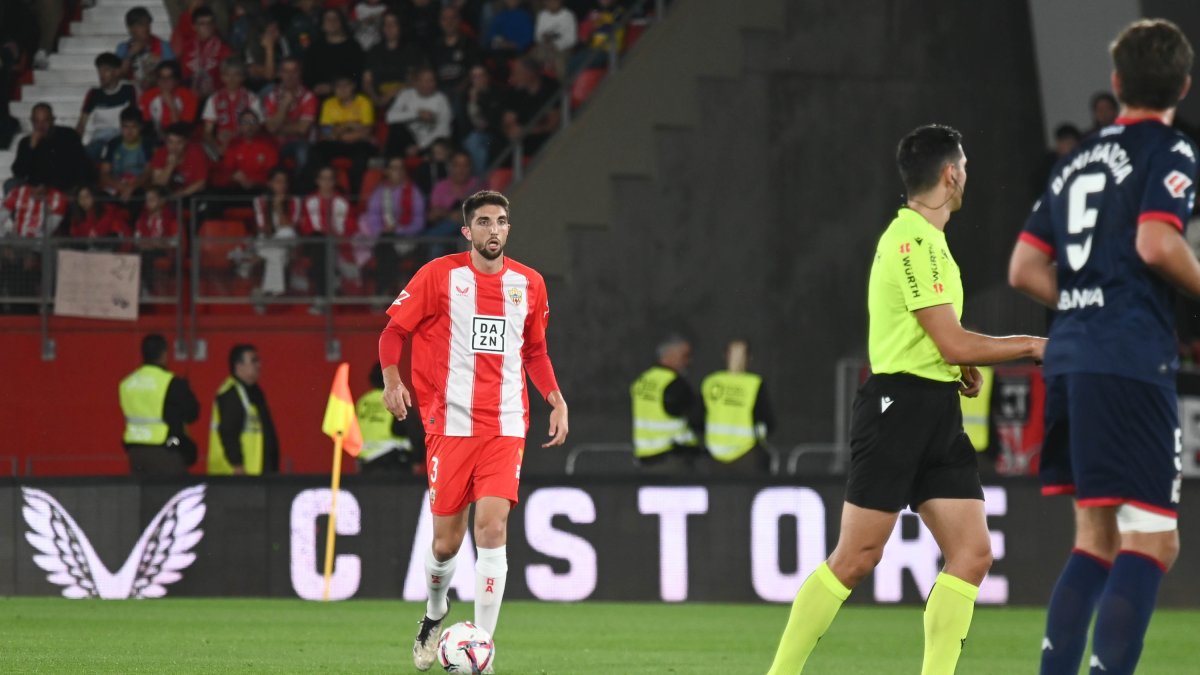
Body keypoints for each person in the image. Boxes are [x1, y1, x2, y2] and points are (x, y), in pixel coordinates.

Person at [766, 124, 1046, 675]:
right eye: (964, 166)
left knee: (972, 554)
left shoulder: (931, 241)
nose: (966, 174)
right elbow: (948, 336)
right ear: (951, 174)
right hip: (897, 409)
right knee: (855, 559)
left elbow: (941, 336)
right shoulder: (911, 240)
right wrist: (1033, 345)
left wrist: (960, 365)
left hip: (935, 409)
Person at [1008, 19, 1195, 675]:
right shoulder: (1169, 150)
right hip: (1129, 359)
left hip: (1071, 358)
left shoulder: (1075, 158)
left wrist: (1084, 299)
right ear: (1183, 85)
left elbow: (1024, 267)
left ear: (1116, 84)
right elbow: (1157, 243)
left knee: (1096, 537)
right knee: (1155, 539)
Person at [378, 190, 568, 671]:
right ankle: (434, 614)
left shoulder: (530, 284)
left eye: (501, 222)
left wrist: (554, 397)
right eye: (483, 222)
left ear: (508, 228)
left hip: (506, 425)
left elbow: (535, 352)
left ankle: (481, 646)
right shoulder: (438, 277)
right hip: (449, 425)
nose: (493, 230)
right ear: (467, 232)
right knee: (446, 543)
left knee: (493, 528)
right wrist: (392, 380)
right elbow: (392, 332)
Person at [119, 333, 200, 476]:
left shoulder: (127, 383)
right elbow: (192, 413)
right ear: (164, 354)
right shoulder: (170, 382)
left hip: (135, 453)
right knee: (172, 494)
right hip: (165, 451)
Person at [630, 334, 703, 472]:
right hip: (672, 461)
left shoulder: (643, 380)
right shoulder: (675, 384)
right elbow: (697, 418)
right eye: (685, 355)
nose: (689, 361)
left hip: (645, 459)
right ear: (670, 355)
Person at [701, 339, 775, 473]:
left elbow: (698, 416)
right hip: (746, 453)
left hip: (714, 454)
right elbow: (767, 420)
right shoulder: (754, 383)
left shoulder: (711, 382)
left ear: (725, 356)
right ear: (749, 358)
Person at [208, 344, 280, 475]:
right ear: (238, 366)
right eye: (253, 361)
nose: (259, 365)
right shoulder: (231, 393)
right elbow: (228, 432)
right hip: (237, 474)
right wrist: (237, 464)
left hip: (255, 471)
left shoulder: (253, 392)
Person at [363, 156, 426, 298]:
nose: (397, 172)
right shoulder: (380, 192)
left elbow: (419, 221)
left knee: (386, 248)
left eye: (400, 168)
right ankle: (390, 289)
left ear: (404, 172)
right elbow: (372, 216)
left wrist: (399, 230)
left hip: (407, 238)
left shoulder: (414, 192)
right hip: (384, 237)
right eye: (393, 168)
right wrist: (381, 230)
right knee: (385, 245)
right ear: (387, 171)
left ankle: (382, 291)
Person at [8, 103, 92, 194]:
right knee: (10, 184)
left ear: (52, 120)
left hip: (63, 187)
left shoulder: (68, 135)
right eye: (36, 121)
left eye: (45, 121)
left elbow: (81, 166)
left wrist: (48, 188)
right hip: (35, 188)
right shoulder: (25, 142)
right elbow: (18, 172)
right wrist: (31, 148)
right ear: (31, 121)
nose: (40, 126)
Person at [77, 53, 140, 162]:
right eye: (99, 71)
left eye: (106, 70)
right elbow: (82, 123)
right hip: (99, 140)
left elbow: (135, 118)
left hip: (121, 138)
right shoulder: (94, 93)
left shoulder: (128, 90)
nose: (101, 75)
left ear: (116, 72)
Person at [356, 363, 416, 474]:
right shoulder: (393, 398)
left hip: (366, 462)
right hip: (392, 462)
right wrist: (417, 456)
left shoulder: (363, 401)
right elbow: (407, 429)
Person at [262, 57, 318, 173]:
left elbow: (302, 129)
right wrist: (284, 107)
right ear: (280, 74)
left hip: (300, 143)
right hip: (275, 143)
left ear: (300, 73)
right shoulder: (272, 96)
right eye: (286, 71)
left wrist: (278, 128)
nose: (290, 75)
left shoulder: (308, 96)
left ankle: (299, 188)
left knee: (302, 150)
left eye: (294, 71)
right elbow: (270, 128)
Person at [385, 67, 454, 158]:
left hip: (429, 142)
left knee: (441, 144)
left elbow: (444, 130)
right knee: (396, 129)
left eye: (431, 81)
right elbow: (389, 117)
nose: (429, 85)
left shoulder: (441, 99)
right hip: (409, 138)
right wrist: (417, 114)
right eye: (425, 81)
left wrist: (420, 146)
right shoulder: (406, 94)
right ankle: (390, 162)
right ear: (416, 82)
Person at [201, 58, 263, 157]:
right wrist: (217, 146)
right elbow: (207, 132)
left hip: (245, 142)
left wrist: (235, 134)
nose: (231, 79)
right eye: (227, 75)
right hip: (221, 145)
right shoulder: (214, 99)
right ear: (222, 77)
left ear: (242, 77)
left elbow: (258, 127)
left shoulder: (252, 98)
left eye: (236, 75)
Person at [98, 107, 155, 204]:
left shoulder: (147, 144)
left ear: (140, 127)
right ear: (120, 126)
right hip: (117, 185)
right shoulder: (113, 144)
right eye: (125, 127)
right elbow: (104, 173)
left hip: (138, 187)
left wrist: (132, 187)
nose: (129, 131)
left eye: (134, 127)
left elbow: (148, 172)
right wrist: (121, 186)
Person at [117, 7, 176, 92]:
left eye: (148, 23)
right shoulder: (123, 48)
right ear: (130, 28)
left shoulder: (163, 45)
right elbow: (118, 76)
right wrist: (131, 54)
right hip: (131, 94)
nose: (146, 28)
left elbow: (173, 73)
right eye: (140, 24)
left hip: (158, 92)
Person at [180, 6, 232, 98]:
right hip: (189, 98)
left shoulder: (224, 50)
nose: (207, 27)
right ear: (194, 27)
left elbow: (230, 80)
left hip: (216, 98)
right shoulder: (186, 48)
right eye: (202, 24)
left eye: (210, 23)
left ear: (215, 25)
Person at [149, 123, 210, 202]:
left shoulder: (196, 152)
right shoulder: (161, 153)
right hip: (168, 194)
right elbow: (157, 184)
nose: (174, 147)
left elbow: (201, 182)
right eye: (170, 142)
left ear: (186, 142)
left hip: (190, 193)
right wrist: (170, 166)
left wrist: (182, 194)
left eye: (179, 143)